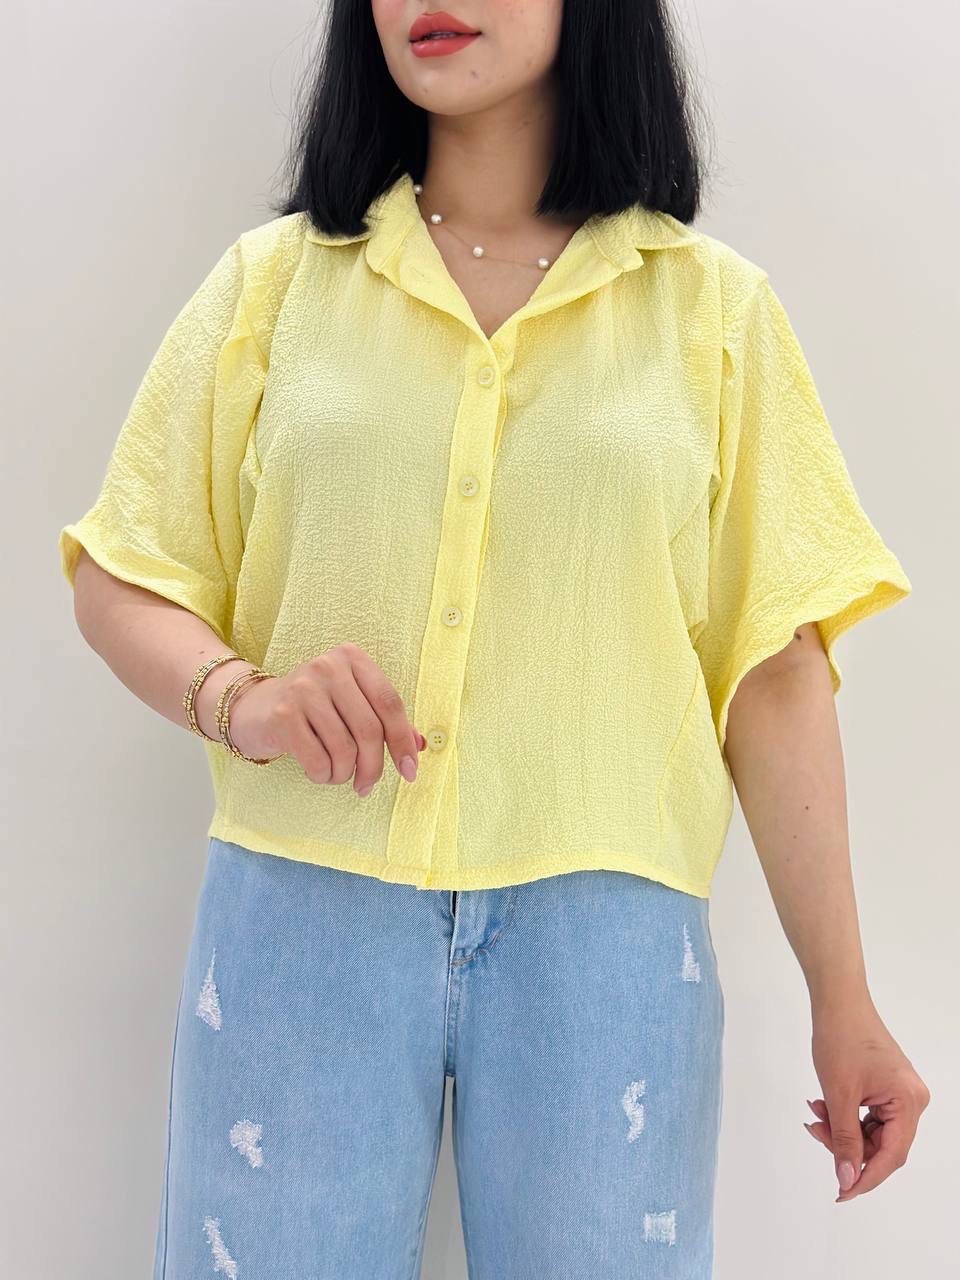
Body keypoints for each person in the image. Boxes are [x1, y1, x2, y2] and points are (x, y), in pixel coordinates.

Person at [58, 2, 930, 1277]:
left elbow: (776, 675)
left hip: (609, 933)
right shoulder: (276, 285)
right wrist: (244, 696)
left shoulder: (712, 311)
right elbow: (124, 571)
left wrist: (844, 1001)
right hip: (301, 908)